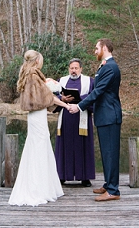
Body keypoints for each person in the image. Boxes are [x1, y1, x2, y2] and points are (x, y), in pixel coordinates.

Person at [67, 38, 122, 202]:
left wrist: (79, 106)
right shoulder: (105, 66)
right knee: (106, 153)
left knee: (111, 153)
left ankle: (113, 191)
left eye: (96, 47)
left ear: (104, 48)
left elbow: (97, 92)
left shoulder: (110, 68)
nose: (94, 50)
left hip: (110, 116)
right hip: (104, 116)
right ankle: (108, 184)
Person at [9, 50, 64, 207]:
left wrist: (47, 84)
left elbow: (41, 93)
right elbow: (45, 98)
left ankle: (41, 186)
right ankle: (37, 189)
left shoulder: (30, 74)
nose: (42, 62)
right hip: (38, 116)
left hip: (35, 116)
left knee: (37, 147)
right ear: (36, 61)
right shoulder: (34, 75)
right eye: (41, 60)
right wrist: (63, 102)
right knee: (39, 148)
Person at [53, 57, 95, 186]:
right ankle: (62, 176)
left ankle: (85, 177)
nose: (74, 71)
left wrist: (79, 99)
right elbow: (54, 96)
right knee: (64, 145)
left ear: (81, 69)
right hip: (66, 117)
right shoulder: (62, 81)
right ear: (68, 69)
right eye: (72, 68)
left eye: (76, 68)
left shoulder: (89, 81)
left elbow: (94, 96)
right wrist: (63, 98)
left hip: (82, 118)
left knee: (83, 146)